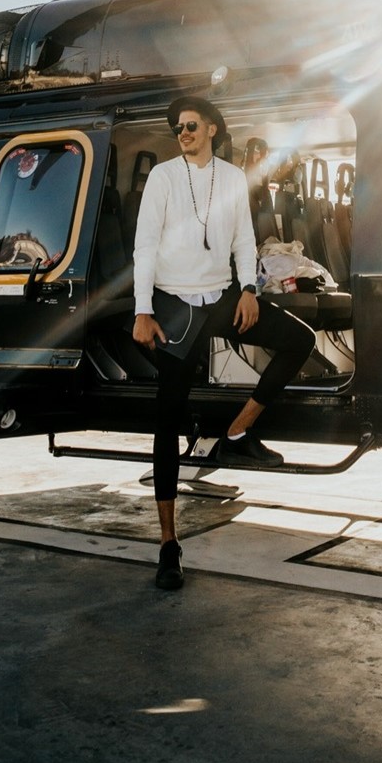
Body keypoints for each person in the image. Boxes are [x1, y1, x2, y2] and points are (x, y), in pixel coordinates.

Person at [132, 96, 317, 590]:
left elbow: (241, 240)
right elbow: (145, 244)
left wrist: (251, 289)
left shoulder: (233, 177)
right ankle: (168, 544)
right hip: (176, 307)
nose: (183, 132)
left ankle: (237, 432)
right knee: (167, 418)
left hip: (224, 300)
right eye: (177, 127)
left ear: (211, 128)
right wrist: (142, 310)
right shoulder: (164, 177)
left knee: (299, 340)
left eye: (190, 125)